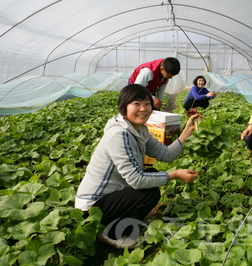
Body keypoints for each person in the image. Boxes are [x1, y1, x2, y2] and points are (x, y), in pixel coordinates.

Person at [75, 84, 199, 249]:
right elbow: (136, 180)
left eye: (147, 103)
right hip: (92, 209)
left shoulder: (140, 130)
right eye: (136, 104)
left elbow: (166, 155)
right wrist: (175, 175)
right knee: (149, 191)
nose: (143, 109)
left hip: (113, 195)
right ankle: (112, 233)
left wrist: (187, 131)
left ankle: (121, 221)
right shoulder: (119, 135)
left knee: (153, 175)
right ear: (124, 107)